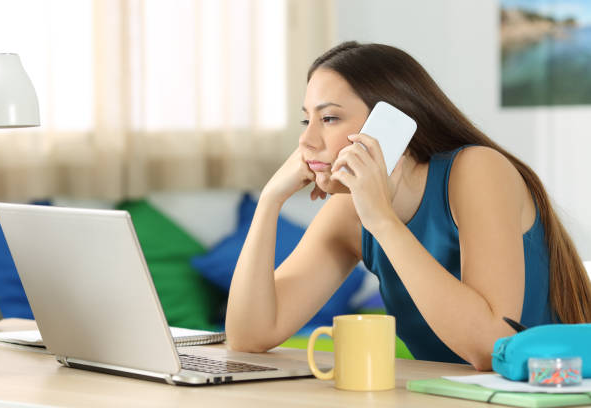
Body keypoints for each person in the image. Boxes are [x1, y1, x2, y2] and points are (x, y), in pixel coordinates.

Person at [225, 41, 591, 370]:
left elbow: (491, 348)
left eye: (330, 118)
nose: (306, 140)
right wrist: (270, 200)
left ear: (391, 125)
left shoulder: (478, 170)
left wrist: (382, 221)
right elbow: (250, 337)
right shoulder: (350, 211)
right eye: (308, 119)